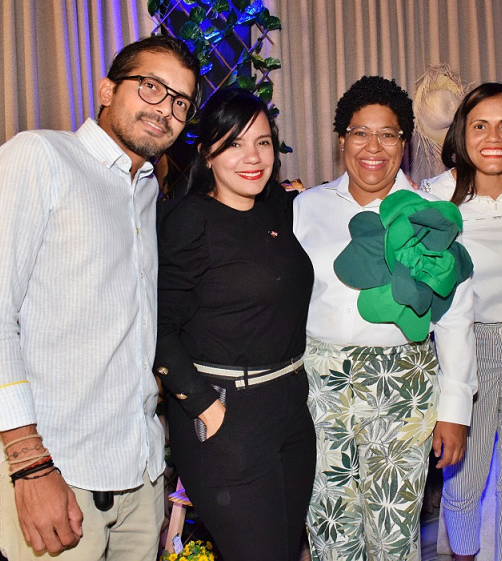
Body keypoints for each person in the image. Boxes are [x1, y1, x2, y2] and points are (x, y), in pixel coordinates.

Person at [0, 35, 199, 560]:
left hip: (140, 475)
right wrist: (29, 465)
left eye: (181, 101)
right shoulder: (39, 157)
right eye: (152, 87)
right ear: (106, 89)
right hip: (58, 475)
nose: (166, 110)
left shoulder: (144, 191)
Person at [293, 75, 477, 561]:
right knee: (328, 521)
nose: (373, 146)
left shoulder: (433, 214)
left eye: (388, 134)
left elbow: (457, 318)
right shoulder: (304, 208)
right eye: (360, 132)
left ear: (405, 143)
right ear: (342, 140)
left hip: (405, 385)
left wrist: (455, 411)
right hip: (321, 387)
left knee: (393, 532)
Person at [154, 87, 316, 561]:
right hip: (226, 415)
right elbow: (159, 327)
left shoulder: (277, 211)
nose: (252, 157)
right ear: (207, 152)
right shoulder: (190, 219)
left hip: (289, 411)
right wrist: (205, 407)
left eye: (263, 142)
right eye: (234, 143)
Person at [421, 82, 502, 561]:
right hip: (465, 345)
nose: (493, 136)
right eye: (480, 125)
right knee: (464, 477)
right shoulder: (435, 196)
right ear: (461, 133)